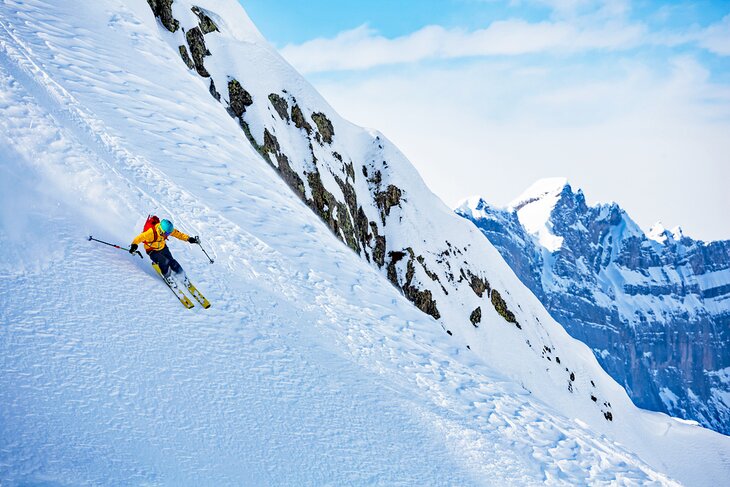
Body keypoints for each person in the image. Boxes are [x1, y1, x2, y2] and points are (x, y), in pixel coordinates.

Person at [129, 218, 199, 284]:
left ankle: (181, 274)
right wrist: (134, 245)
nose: (168, 235)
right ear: (160, 230)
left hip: (162, 247)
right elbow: (140, 237)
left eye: (169, 234)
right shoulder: (151, 232)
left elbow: (178, 234)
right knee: (164, 261)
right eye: (167, 234)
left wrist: (189, 239)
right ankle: (167, 276)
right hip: (152, 250)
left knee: (171, 261)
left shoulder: (167, 230)